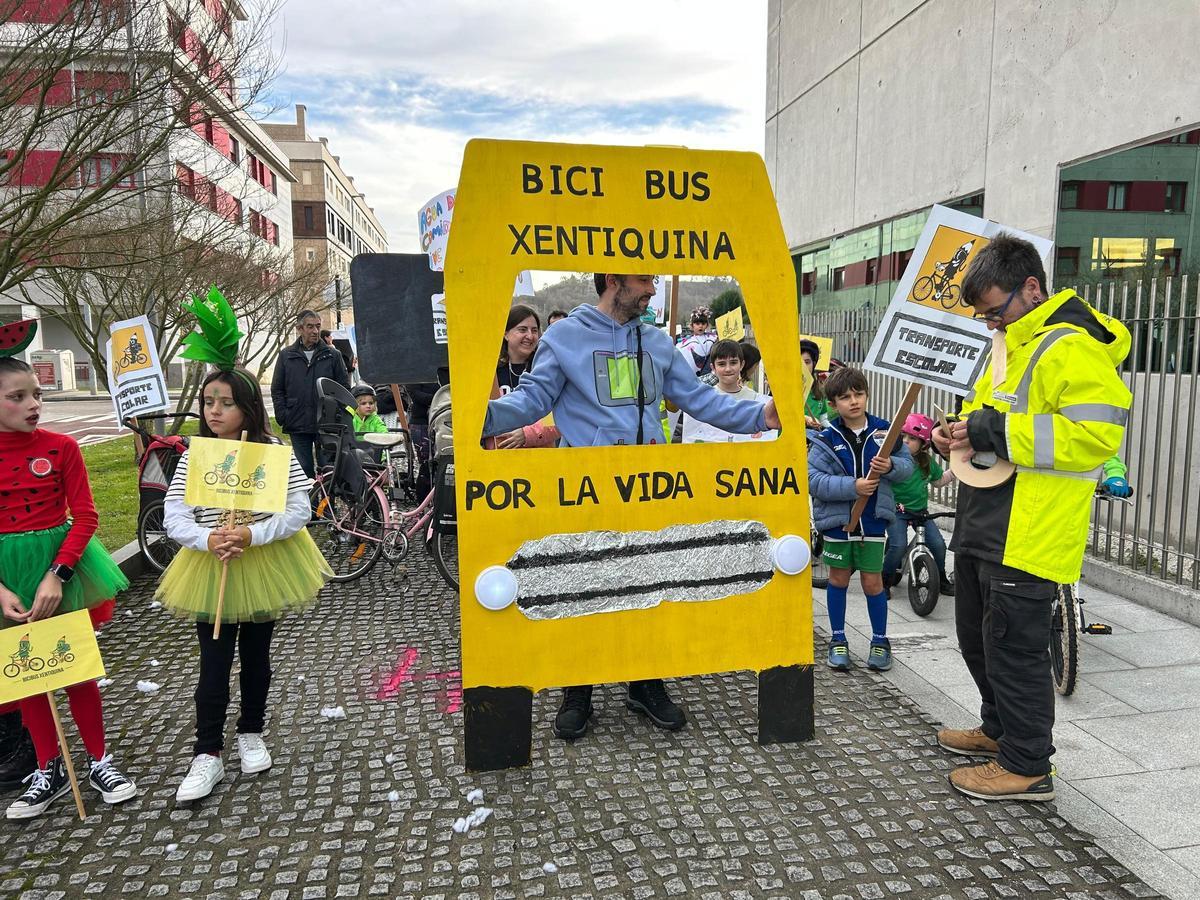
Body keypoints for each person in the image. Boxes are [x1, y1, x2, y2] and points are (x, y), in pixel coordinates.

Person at [483, 273, 781, 740]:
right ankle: (577, 689)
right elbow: (532, 399)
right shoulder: (563, 337)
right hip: (584, 490)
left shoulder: (658, 343)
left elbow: (700, 400)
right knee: (581, 585)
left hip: (648, 491)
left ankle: (645, 682)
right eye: (644, 279)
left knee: (647, 583)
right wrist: (478, 412)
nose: (651, 291)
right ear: (613, 279)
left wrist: (761, 415)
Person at [931, 233, 1130, 803]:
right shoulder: (1012, 346)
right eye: (983, 315)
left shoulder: (1072, 347)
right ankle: (999, 732)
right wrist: (956, 433)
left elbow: (1095, 436)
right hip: (984, 521)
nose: (989, 323)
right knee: (977, 640)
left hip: (1030, 530)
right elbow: (986, 420)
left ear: (1031, 287)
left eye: (995, 310)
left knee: (1014, 651)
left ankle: (1027, 765)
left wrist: (994, 431)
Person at [159, 293, 333, 803]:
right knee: (212, 662)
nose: (215, 411)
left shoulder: (274, 452)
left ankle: (251, 731)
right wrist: (208, 538)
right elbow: (174, 515)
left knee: (257, 657)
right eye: (209, 402)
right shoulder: (196, 455)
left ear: (248, 408)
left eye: (226, 402)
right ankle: (206, 752)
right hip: (210, 564)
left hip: (261, 561)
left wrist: (252, 534)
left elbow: (301, 509)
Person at [0, 332, 137, 819]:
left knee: (74, 669)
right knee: (27, 677)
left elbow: (86, 516)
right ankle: (49, 767)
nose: (33, 404)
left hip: (62, 568)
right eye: (18, 397)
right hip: (5, 581)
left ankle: (99, 760)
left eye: (36, 392)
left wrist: (58, 574)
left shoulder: (61, 448)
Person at [807, 365, 914, 673]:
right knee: (838, 580)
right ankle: (838, 639)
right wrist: (852, 487)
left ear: (867, 395)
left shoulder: (886, 432)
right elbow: (814, 480)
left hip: (874, 523)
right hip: (839, 524)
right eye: (844, 397)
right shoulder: (826, 438)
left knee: (872, 582)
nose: (853, 401)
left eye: (859, 394)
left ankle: (880, 641)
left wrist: (890, 465)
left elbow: (908, 469)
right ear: (833, 404)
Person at [881, 414, 956, 595]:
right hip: (896, 511)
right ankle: (884, 581)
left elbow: (939, 481)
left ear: (924, 444)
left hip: (920, 512)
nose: (906, 441)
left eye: (912, 438)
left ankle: (941, 579)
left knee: (938, 544)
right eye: (902, 437)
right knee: (898, 545)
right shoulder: (892, 460)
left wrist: (959, 469)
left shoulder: (926, 462)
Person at [271, 310, 350, 479]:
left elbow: (344, 388)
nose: (315, 331)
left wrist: (336, 414)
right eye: (310, 327)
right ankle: (309, 504)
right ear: (299, 328)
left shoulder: (332, 355)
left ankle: (328, 504)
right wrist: (283, 415)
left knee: (328, 468)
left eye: (318, 326)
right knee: (303, 468)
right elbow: (277, 389)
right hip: (297, 421)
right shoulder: (286, 355)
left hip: (326, 423)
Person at [494, 305, 558, 449]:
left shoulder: (548, 371)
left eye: (534, 330)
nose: (530, 336)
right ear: (506, 334)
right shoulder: (491, 374)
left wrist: (527, 434)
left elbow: (560, 416)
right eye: (522, 330)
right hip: (498, 460)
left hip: (540, 460)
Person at [682, 341, 769, 443]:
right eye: (721, 364)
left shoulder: (759, 402)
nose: (728, 369)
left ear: (742, 364)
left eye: (733, 363)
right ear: (713, 368)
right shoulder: (702, 401)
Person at [801, 339, 832, 428]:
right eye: (799, 362)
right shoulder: (784, 390)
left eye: (807, 362)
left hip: (812, 439)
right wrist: (805, 419)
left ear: (813, 364)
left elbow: (823, 419)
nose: (803, 366)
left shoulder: (819, 391)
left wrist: (835, 432)